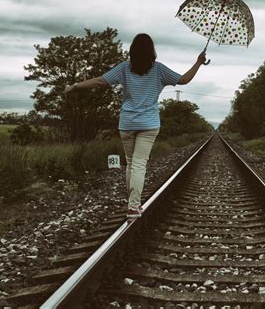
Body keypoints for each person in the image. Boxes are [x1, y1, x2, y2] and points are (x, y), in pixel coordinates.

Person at [64, 33, 206, 218]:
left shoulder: (124, 68)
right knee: (139, 164)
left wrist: (75, 86)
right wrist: (198, 63)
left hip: (128, 122)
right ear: (152, 51)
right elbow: (184, 80)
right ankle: (133, 206)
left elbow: (100, 81)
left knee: (131, 163)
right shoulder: (159, 70)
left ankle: (132, 203)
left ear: (132, 51)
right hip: (149, 124)